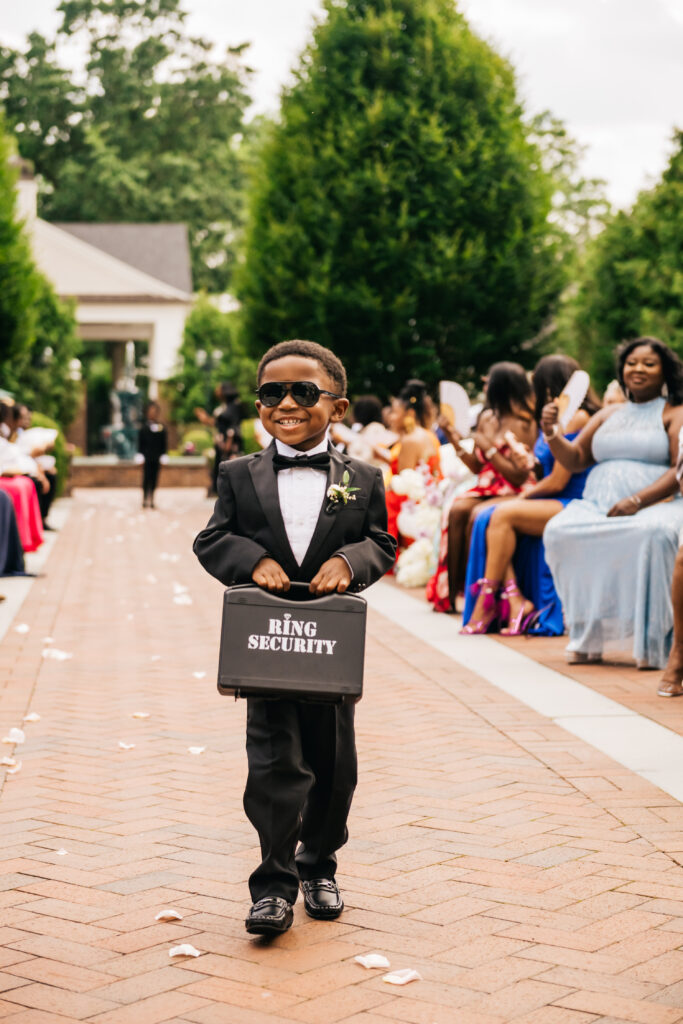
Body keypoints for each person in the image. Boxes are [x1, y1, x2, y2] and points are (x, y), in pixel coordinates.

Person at [193, 339, 396, 938]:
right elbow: (212, 539)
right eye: (271, 392)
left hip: (328, 647)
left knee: (334, 767)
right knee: (275, 762)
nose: (286, 402)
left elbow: (380, 542)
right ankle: (273, 884)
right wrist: (251, 559)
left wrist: (350, 560)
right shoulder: (237, 474)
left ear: (337, 406)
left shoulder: (363, 478)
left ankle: (319, 865)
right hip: (265, 642)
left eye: (303, 392)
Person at [543, 337, 683, 669]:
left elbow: (679, 469)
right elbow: (576, 459)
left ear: (665, 372)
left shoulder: (674, 413)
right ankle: (585, 634)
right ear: (622, 370)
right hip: (597, 507)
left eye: (649, 364)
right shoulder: (609, 413)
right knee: (559, 529)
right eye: (632, 363)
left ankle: (657, 642)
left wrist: (637, 501)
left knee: (655, 535)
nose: (638, 369)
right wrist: (551, 433)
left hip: (657, 506)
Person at [461, 355, 600, 634]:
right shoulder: (554, 417)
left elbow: (560, 480)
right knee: (488, 516)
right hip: (553, 498)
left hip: (574, 501)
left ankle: (490, 602)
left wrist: (523, 497)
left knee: (501, 514)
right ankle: (513, 599)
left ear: (549, 385)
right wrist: (528, 463)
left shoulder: (578, 417)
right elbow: (545, 474)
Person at [426, 362, 537, 613]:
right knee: (455, 510)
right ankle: (451, 593)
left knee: (475, 515)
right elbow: (477, 467)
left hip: (515, 489)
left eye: (488, 383)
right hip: (487, 487)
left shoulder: (525, 423)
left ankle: (477, 595)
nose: (484, 387)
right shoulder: (487, 418)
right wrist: (452, 437)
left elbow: (519, 477)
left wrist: (489, 447)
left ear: (501, 387)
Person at [385, 380, 442, 552]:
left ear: (409, 413)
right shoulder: (427, 435)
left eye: (395, 412)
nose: (391, 417)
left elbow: (402, 487)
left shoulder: (410, 440)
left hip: (410, 506)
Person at [138, 400, 168, 509]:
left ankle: (152, 499)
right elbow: (140, 443)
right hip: (146, 457)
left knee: (154, 479)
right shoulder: (143, 428)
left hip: (156, 457)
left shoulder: (161, 428)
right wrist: (140, 456)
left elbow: (164, 443)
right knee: (146, 478)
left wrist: (164, 455)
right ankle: (145, 498)